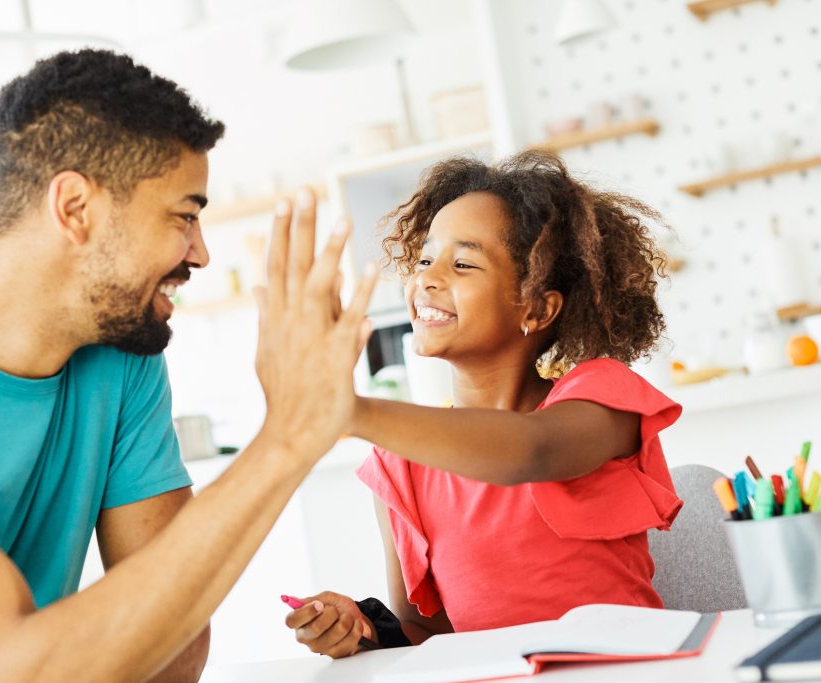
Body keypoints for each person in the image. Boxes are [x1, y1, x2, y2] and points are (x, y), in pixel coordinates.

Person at [0, 49, 376, 682]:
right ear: (74, 208)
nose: (201, 253)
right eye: (184, 216)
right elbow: (8, 668)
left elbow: (173, 658)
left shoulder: (121, 361)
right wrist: (286, 438)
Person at [284, 151, 683, 658]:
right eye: (425, 259)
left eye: (463, 264)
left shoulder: (600, 399)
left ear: (537, 307)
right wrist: (360, 629)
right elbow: (426, 634)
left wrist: (356, 411)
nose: (427, 279)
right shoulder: (398, 463)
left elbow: (528, 453)